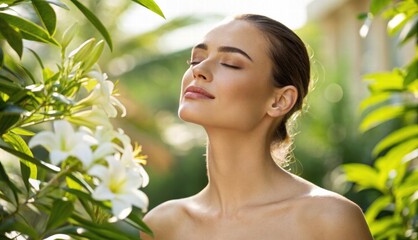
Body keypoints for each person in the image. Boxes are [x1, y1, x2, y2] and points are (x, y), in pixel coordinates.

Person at [140, 14, 373, 240]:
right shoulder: (162, 226)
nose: (198, 70)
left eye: (230, 64)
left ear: (279, 101)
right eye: (196, 59)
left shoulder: (330, 220)